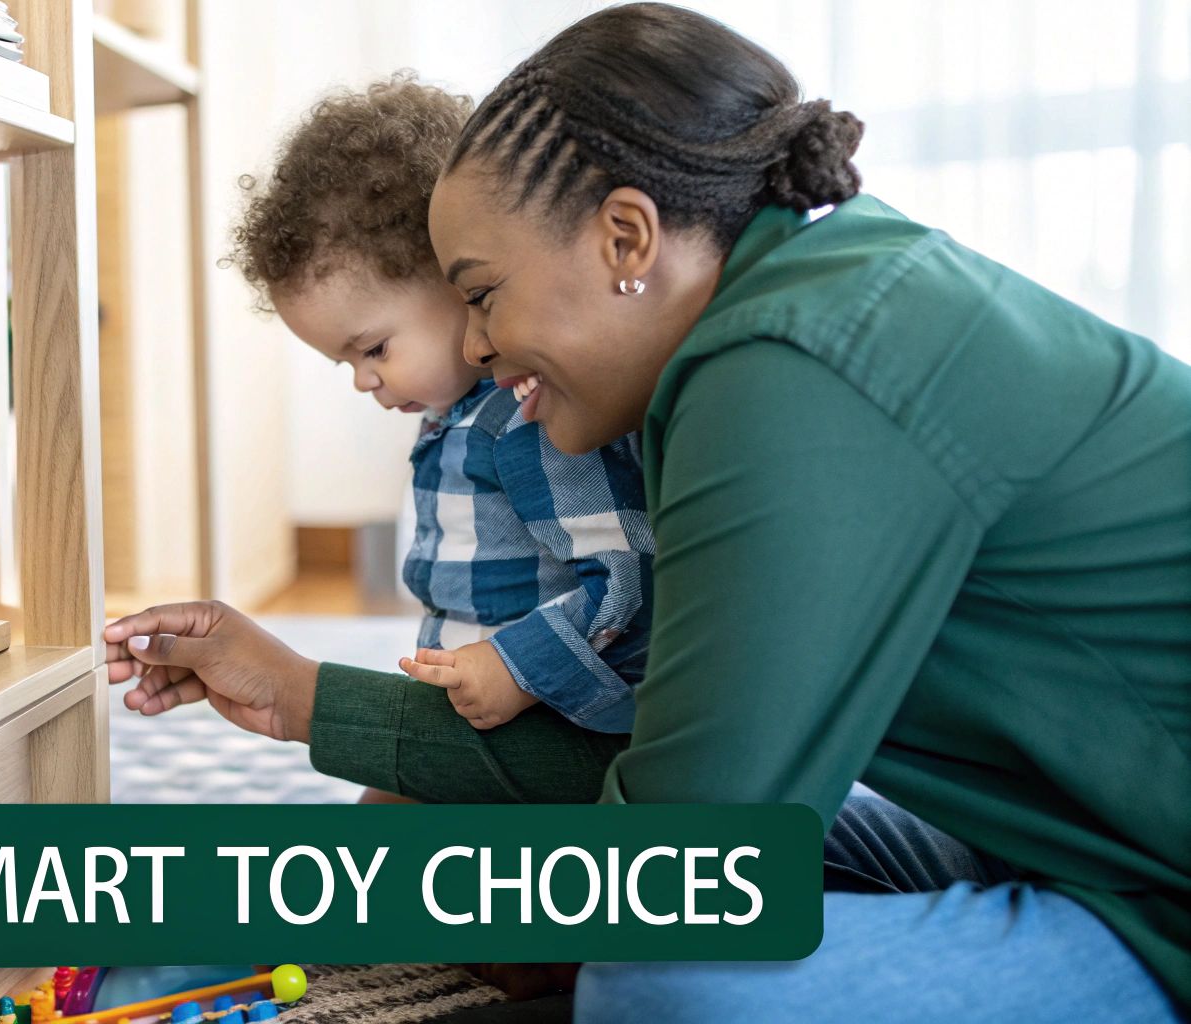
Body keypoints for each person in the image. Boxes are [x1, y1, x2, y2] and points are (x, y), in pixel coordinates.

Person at [107, 3, 1189, 1019]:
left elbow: (671, 864)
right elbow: (666, 789)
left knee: (658, 985)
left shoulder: (789, 371)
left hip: (1153, 898)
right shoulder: (767, 326)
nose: (476, 345)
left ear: (627, 239)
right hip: (1056, 835)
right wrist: (311, 705)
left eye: (481, 292)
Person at [222, 74, 653, 737]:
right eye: (348, 363)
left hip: (554, 720)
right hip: (479, 713)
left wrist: (516, 667)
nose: (365, 381)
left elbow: (628, 577)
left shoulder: (528, 418)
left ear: (457, 280)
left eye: (374, 348)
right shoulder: (454, 417)